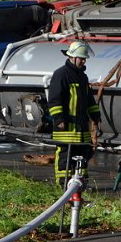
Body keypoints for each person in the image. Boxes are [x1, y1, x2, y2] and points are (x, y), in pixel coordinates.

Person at [47, 41, 102, 187]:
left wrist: (95, 115)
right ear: (72, 57)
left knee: (82, 155)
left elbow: (89, 99)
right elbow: (54, 99)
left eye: (84, 59)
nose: (84, 61)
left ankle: (81, 184)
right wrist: (59, 118)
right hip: (66, 126)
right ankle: (63, 183)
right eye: (81, 58)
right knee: (65, 154)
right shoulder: (61, 75)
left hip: (81, 127)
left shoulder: (82, 77)